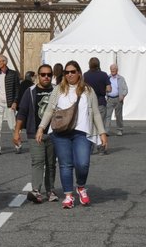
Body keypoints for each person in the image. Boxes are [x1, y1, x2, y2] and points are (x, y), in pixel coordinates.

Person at [35, 59, 107, 208]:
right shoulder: (58, 90)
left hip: (82, 132)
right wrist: (41, 128)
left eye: (72, 72)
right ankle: (68, 196)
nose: (69, 74)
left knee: (83, 163)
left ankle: (80, 187)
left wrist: (102, 132)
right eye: (66, 72)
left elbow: (96, 114)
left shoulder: (88, 90)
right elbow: (49, 110)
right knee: (65, 164)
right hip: (61, 133)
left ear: (79, 73)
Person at [13, 63, 57, 203]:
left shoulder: (57, 90)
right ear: (38, 76)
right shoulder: (30, 91)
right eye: (43, 75)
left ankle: (50, 190)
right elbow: (22, 113)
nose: (46, 77)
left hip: (54, 133)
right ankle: (36, 190)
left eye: (49, 75)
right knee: (38, 161)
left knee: (51, 164)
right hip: (34, 132)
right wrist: (17, 132)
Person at [0, 54, 21, 155]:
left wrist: (15, 102)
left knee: (12, 125)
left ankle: (18, 145)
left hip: (9, 103)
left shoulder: (13, 74)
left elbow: (17, 89)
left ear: (4, 62)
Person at [83, 56, 111, 152]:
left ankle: (89, 148)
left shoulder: (85, 75)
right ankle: (102, 147)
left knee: (89, 126)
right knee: (101, 126)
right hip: (100, 102)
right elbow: (109, 88)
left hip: (89, 103)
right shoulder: (104, 75)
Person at [104, 63, 129, 138]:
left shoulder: (121, 79)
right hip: (110, 99)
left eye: (114, 70)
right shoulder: (107, 78)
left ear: (117, 70)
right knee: (108, 115)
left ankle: (120, 130)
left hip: (118, 99)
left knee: (118, 115)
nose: (112, 72)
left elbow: (126, 89)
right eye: (111, 71)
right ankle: (106, 130)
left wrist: (123, 95)